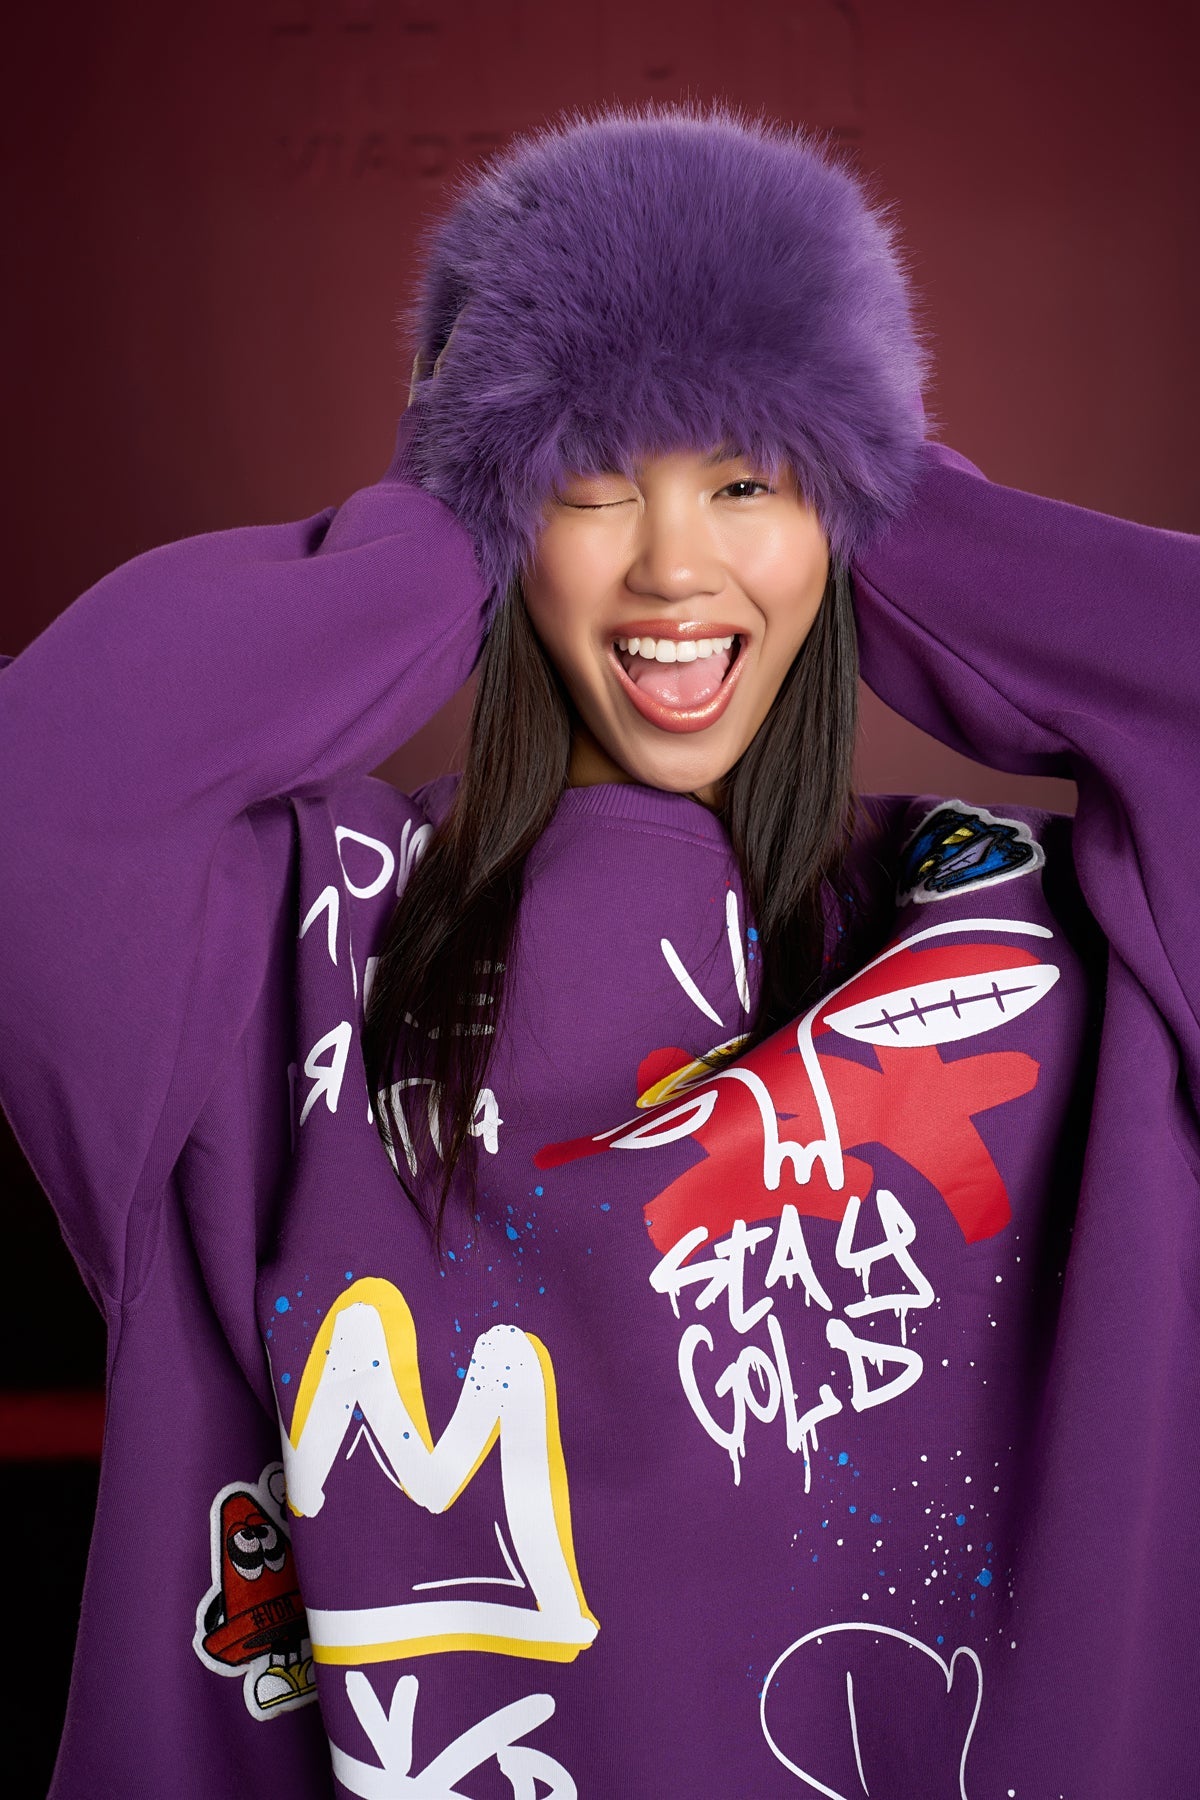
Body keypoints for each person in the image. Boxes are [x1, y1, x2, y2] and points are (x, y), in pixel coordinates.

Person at [2, 101, 1197, 1799]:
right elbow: (45, 789)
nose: (674, 565)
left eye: (746, 478)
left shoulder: (1023, 934)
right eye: (590, 479)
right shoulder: (298, 932)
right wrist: (442, 522)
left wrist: (884, 491)